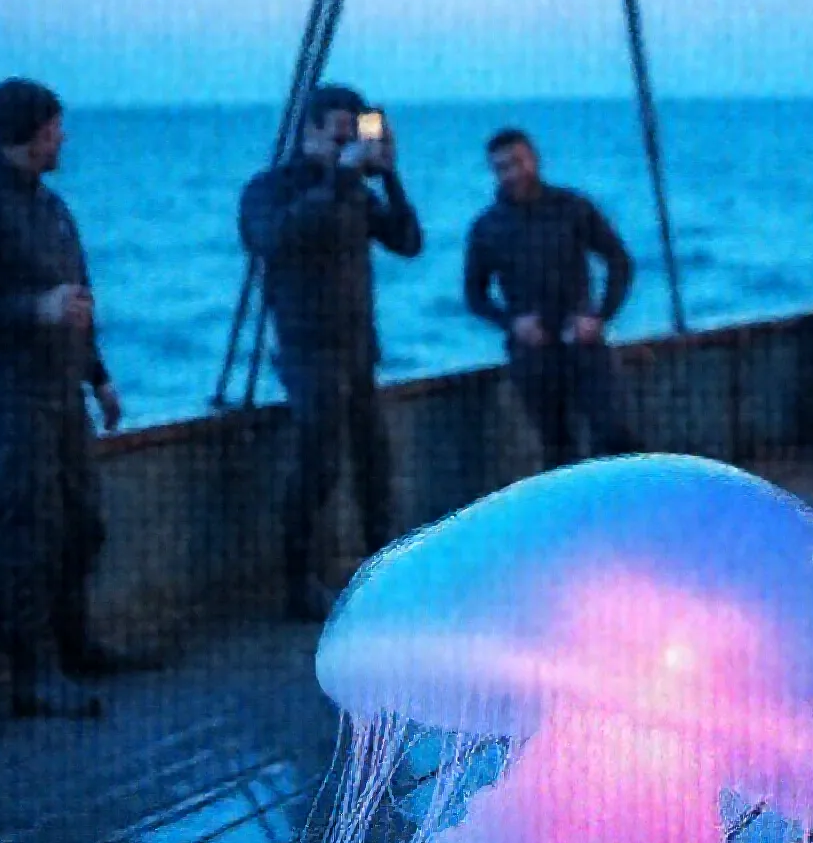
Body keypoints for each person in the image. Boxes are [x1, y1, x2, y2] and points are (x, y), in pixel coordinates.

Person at [0, 78, 133, 718]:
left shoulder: (50, 207)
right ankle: (33, 672)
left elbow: (77, 299)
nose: (63, 137)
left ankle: (75, 644)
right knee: (31, 530)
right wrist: (32, 308)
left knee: (83, 523)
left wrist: (97, 376)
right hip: (6, 393)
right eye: (54, 127)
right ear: (27, 133)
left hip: (62, 390)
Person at [239, 84, 423, 622]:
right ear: (311, 130)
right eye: (340, 136)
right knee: (318, 462)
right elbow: (273, 239)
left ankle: (383, 571)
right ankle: (298, 581)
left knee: (374, 461)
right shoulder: (270, 189)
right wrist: (342, 175)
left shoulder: (355, 193)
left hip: (358, 347)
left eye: (355, 137)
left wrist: (387, 172)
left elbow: (409, 242)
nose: (348, 147)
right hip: (306, 346)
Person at [463, 128, 634, 469]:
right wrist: (512, 324)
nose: (512, 173)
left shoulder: (572, 208)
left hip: (582, 341)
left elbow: (619, 261)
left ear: (534, 159)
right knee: (556, 446)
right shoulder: (488, 227)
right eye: (501, 167)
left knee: (614, 434)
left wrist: (599, 317)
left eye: (517, 162)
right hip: (534, 350)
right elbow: (474, 294)